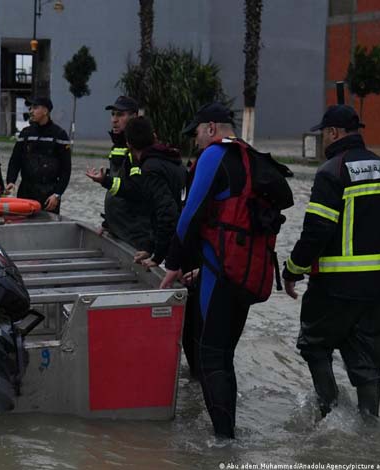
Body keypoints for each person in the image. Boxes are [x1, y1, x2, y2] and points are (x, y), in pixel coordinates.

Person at [160, 102, 285, 439]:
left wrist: (173, 265)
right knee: (224, 354)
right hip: (246, 273)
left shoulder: (214, 156)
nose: (196, 141)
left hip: (221, 273)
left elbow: (190, 214)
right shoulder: (250, 156)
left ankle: (223, 445)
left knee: (211, 356)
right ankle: (227, 434)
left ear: (211, 128)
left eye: (197, 133)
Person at [283, 105, 380, 419]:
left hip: (335, 288)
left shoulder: (331, 172)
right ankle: (368, 427)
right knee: (368, 362)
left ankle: (329, 412)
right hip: (377, 288)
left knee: (314, 345)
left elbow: (316, 231)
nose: (323, 139)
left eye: (324, 133)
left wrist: (292, 270)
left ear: (334, 133)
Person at [86, 116, 185, 268]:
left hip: (180, 243)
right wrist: (150, 248)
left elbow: (166, 213)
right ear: (154, 137)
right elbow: (152, 205)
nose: (114, 119)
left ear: (128, 144)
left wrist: (157, 257)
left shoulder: (151, 169)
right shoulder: (169, 159)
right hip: (184, 240)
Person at [100, 96, 152, 255]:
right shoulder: (117, 146)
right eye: (113, 114)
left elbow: (138, 192)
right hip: (118, 230)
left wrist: (105, 181)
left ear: (134, 117)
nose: (114, 120)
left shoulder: (139, 150)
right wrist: (107, 223)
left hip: (134, 235)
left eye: (120, 115)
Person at [6, 96, 72, 213]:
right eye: (30, 108)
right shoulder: (26, 133)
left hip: (49, 194)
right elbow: (15, 160)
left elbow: (66, 169)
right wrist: (11, 180)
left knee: (48, 229)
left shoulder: (59, 134)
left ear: (45, 111)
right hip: (26, 191)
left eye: (35, 108)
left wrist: (57, 194)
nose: (31, 111)